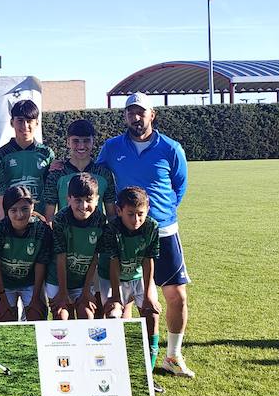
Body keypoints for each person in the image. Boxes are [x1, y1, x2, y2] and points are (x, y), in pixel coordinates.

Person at [95, 93, 195, 378]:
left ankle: (172, 356)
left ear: (152, 115)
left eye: (141, 112)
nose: (135, 118)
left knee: (176, 296)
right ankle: (125, 362)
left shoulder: (171, 148)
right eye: (130, 112)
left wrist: (163, 213)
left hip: (162, 231)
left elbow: (180, 186)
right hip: (124, 234)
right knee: (125, 300)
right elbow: (95, 174)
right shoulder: (112, 147)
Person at [98, 186, 162, 372]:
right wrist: (116, 296)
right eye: (130, 214)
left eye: (140, 214)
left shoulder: (151, 226)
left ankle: (147, 373)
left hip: (137, 276)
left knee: (152, 314)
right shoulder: (112, 229)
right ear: (119, 211)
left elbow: (148, 260)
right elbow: (113, 262)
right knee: (114, 315)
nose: (136, 220)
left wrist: (149, 293)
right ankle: (114, 368)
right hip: (111, 279)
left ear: (147, 210)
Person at [0, 186, 53, 322]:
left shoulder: (41, 229)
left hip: (31, 283)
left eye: (24, 209)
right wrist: (2, 298)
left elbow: (41, 265)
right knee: (5, 317)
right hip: (5, 284)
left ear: (32, 207)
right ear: (7, 211)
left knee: (37, 314)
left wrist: (35, 298)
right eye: (13, 210)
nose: (20, 215)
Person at [51, 174, 109, 320]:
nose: (83, 206)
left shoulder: (100, 220)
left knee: (88, 315)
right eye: (78, 200)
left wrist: (85, 291)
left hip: (83, 280)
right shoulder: (60, 219)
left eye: (88, 200)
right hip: (58, 280)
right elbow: (61, 257)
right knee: (62, 317)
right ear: (68, 199)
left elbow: (95, 258)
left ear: (97, 199)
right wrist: (63, 292)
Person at [0, 100, 55, 222]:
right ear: (12, 122)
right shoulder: (1, 155)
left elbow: (50, 193)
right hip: (12, 222)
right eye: (20, 121)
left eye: (29, 121)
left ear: (37, 123)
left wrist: (48, 221)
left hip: (38, 222)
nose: (25, 126)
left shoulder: (46, 154)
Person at [42, 119, 116, 220]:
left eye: (86, 141)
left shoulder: (104, 174)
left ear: (93, 141)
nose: (81, 146)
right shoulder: (56, 174)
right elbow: (49, 217)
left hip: (96, 234)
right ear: (68, 142)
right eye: (75, 141)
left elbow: (111, 215)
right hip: (66, 234)